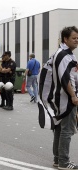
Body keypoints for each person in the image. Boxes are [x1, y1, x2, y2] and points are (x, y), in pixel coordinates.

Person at [49, 26, 78, 170]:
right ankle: (64, 162)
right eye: (74, 38)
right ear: (65, 39)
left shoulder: (62, 53)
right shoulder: (64, 55)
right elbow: (65, 78)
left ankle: (57, 159)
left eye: (77, 38)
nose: (76, 41)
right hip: (65, 98)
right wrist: (73, 95)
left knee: (60, 129)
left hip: (59, 97)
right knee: (66, 130)